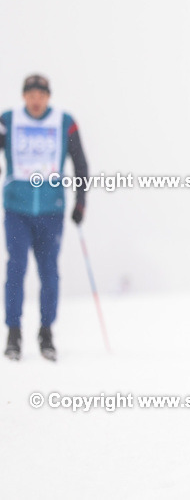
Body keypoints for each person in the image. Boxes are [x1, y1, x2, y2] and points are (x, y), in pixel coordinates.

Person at [1, 74, 88, 361]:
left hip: (51, 211)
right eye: (31, 95)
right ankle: (14, 333)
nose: (36, 100)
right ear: (23, 96)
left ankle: (46, 332)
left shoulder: (64, 122)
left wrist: (81, 202)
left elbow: (80, 163)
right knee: (16, 269)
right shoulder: (8, 120)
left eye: (41, 95)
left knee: (49, 272)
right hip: (17, 210)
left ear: (48, 97)